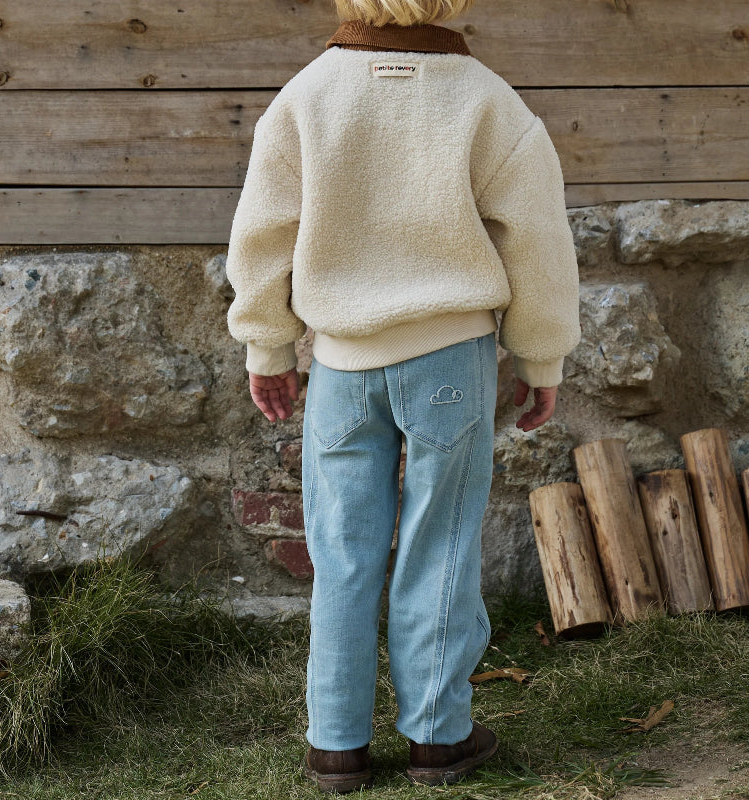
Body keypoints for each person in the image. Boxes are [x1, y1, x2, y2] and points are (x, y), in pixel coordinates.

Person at [224, 0, 581, 792]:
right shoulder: (488, 98)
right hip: (450, 355)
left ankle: (337, 745)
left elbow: (261, 231)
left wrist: (268, 343)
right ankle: (438, 739)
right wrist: (541, 357)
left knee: (342, 550)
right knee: (441, 544)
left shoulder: (307, 95)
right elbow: (538, 236)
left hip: (342, 366)